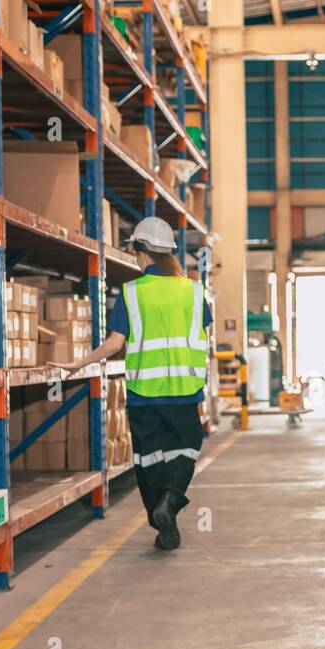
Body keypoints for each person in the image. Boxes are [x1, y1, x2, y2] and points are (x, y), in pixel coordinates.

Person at [49, 216, 211, 550]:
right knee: (185, 450)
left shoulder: (132, 293)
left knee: (149, 458)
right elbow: (204, 335)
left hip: (143, 394)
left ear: (142, 252)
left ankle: (159, 518)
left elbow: (114, 345)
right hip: (183, 391)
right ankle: (170, 503)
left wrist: (76, 363)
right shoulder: (194, 292)